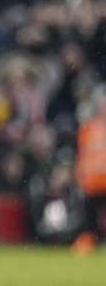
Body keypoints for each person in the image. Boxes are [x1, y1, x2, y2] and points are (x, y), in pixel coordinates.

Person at [73, 85, 106, 253]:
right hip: (93, 183)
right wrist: (80, 177)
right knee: (90, 217)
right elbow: (82, 155)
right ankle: (89, 241)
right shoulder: (88, 128)